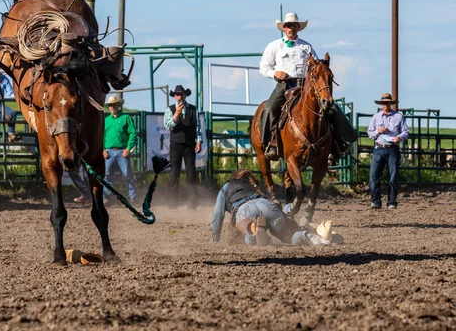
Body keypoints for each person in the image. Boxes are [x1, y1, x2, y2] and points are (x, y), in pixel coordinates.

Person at [259, 12, 356, 160]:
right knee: (269, 109)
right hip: (284, 85)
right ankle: (270, 144)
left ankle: (339, 143)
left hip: (306, 85)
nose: (291, 28)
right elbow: (263, 67)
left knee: (331, 108)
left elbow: (318, 66)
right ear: (283, 28)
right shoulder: (274, 46)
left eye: (294, 25)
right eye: (288, 25)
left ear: (298, 28)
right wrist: (275, 73)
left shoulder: (306, 46)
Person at [210, 169, 342, 246]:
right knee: (290, 236)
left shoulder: (225, 188)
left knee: (249, 239)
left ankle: (253, 231)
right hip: (266, 205)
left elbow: (217, 216)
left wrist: (215, 239)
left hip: (244, 211)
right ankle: (312, 238)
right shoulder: (254, 185)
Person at [367, 92, 409, 210]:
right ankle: (376, 201)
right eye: (383, 102)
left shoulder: (399, 117)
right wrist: (378, 131)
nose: (385, 104)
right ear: (381, 104)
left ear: (390, 103)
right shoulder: (376, 117)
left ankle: (391, 202)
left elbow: (406, 131)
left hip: (393, 149)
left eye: (387, 102)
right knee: (374, 176)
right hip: (379, 148)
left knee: (393, 176)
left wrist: (399, 137)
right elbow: (370, 134)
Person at [163, 85, 203, 208]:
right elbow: (168, 126)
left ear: (185, 95)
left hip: (190, 144)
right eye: (177, 94)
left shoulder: (193, 109)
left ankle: (192, 204)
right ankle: (172, 203)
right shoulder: (170, 110)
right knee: (174, 173)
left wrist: (199, 141)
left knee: (191, 174)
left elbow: (197, 126)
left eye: (182, 94)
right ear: (175, 96)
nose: (180, 96)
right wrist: (176, 114)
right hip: (176, 144)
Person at [103, 95, 137, 202]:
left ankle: (133, 197)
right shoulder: (106, 120)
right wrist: (103, 150)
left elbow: (132, 133)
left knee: (127, 174)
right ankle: (107, 197)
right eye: (110, 105)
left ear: (118, 105)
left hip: (122, 150)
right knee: (107, 175)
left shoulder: (126, 118)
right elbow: (102, 137)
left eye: (114, 105)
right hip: (109, 151)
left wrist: (128, 149)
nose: (112, 107)